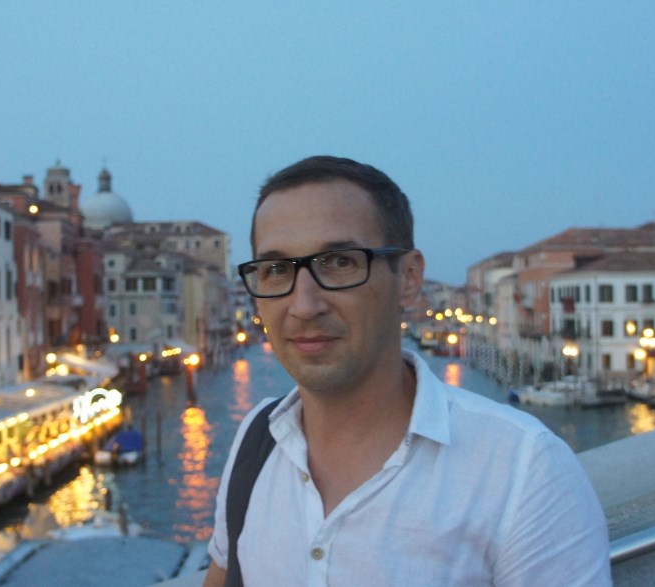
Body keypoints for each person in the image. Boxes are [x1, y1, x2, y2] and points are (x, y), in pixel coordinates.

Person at [204, 155, 612, 586]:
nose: (304, 305)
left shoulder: (525, 471)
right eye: (275, 270)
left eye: (340, 263)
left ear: (410, 278)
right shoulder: (255, 440)